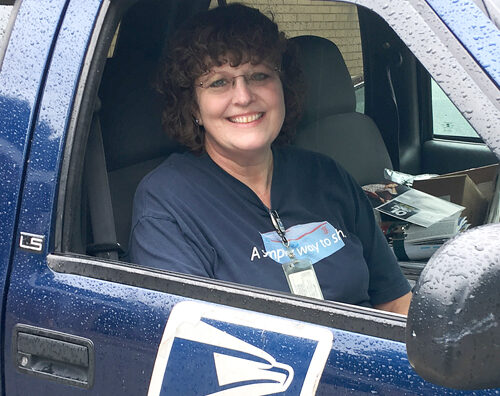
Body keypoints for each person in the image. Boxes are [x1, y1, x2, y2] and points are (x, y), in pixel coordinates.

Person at [129, 3, 412, 314]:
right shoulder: (167, 203)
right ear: (193, 107)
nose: (244, 96)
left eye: (259, 75)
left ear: (283, 89)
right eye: (219, 82)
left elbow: (394, 299)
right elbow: (198, 342)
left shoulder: (327, 175)